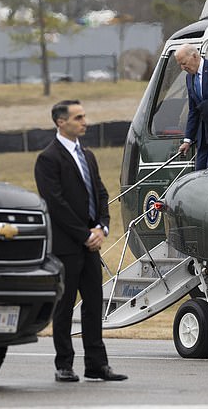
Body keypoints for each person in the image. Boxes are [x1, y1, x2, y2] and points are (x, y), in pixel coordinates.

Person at [34, 100, 128, 383]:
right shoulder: (48, 158)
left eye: (84, 116)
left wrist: (102, 227)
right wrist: (84, 234)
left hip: (91, 242)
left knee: (93, 304)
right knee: (64, 306)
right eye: (78, 117)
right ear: (61, 122)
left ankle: (97, 365)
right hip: (67, 244)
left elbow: (100, 192)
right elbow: (55, 203)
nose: (84, 121)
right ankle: (64, 364)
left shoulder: (87, 155)